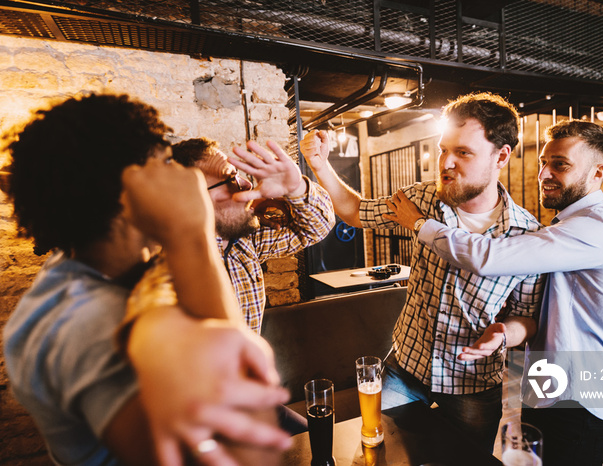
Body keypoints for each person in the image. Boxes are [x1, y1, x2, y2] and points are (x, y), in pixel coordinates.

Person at [2, 93, 291, 465]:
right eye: (166, 163)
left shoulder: (126, 274)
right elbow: (248, 454)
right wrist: (192, 234)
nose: (183, 177)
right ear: (127, 190)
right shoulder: (80, 322)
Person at [300, 92, 546, 450]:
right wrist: (320, 163)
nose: (445, 163)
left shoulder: (527, 235)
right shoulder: (425, 199)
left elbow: (528, 319)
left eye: (463, 152)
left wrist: (504, 335)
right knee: (378, 451)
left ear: (501, 156)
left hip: (472, 386)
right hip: (405, 368)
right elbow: (356, 212)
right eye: (444, 149)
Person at [386, 119, 603, 465]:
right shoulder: (566, 226)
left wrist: (419, 223)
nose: (545, 173)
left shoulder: (599, 227)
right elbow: (538, 312)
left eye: (560, 164)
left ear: (598, 173)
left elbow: (490, 256)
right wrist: (507, 330)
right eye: (543, 163)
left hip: (580, 402)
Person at [171, 137, 334, 335]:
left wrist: (295, 189)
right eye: (231, 179)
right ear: (192, 195)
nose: (246, 184)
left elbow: (317, 228)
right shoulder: (167, 269)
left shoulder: (244, 243)